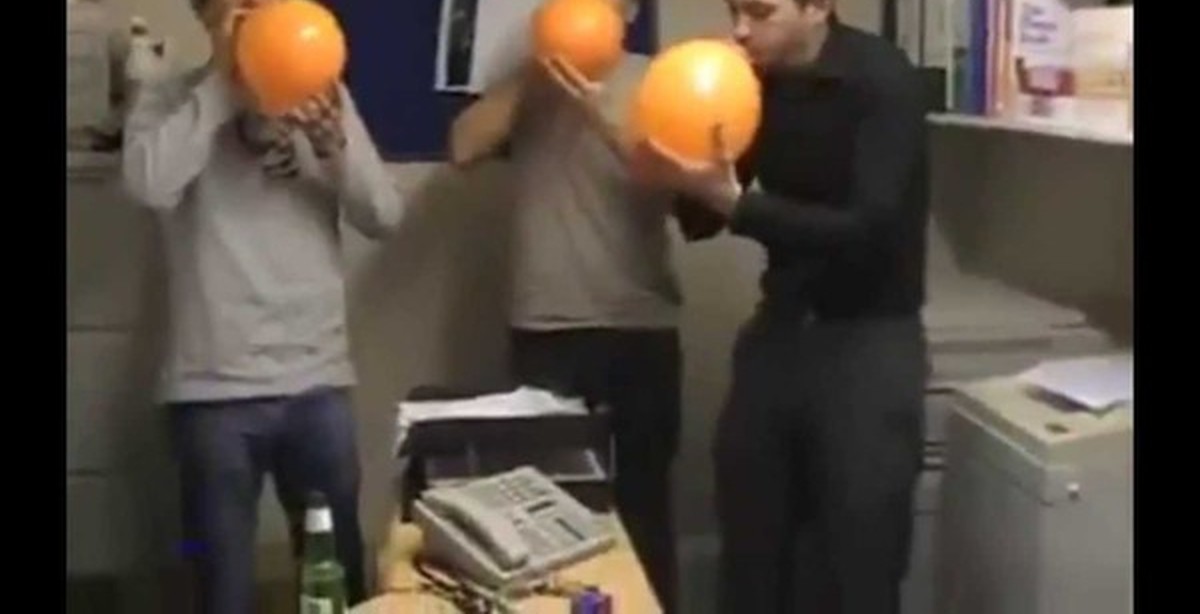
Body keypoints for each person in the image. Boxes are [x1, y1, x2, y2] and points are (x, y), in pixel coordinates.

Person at [631, 1, 931, 612]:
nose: (741, 29)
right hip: (781, 332)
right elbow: (703, 221)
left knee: (858, 557)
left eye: (761, 11)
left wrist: (737, 206)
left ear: (817, 7)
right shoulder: (749, 81)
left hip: (869, 340)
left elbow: (868, 228)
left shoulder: (883, 80)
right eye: (735, 9)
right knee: (751, 544)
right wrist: (679, 175)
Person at [121, 0, 403, 611]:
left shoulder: (322, 91)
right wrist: (226, 87)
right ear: (208, 17)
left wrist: (335, 151)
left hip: (317, 381)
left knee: (338, 584)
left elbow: (384, 216)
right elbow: (148, 185)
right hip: (211, 391)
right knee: (221, 588)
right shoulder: (171, 96)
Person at [446, 2, 721, 610]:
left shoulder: (657, 81)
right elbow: (462, 148)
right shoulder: (528, 78)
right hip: (546, 328)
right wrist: (534, 76)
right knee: (547, 513)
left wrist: (601, 112)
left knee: (644, 511)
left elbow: (687, 190)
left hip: (639, 327)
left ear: (628, 11)